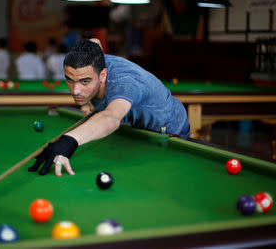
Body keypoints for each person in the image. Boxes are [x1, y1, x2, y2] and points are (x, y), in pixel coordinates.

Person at [28, 39, 190, 177]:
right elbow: (94, 42)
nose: (76, 90)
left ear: (103, 75)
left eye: (85, 81)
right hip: (137, 130)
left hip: (168, 129)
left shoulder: (125, 83)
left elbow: (111, 117)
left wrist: (67, 142)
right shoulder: (93, 57)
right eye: (70, 80)